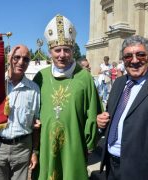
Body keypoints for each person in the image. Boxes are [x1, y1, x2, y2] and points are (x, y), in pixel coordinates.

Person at [32, 14, 103, 180]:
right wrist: (33, 148)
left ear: (73, 50)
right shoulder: (40, 77)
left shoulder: (84, 77)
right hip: (45, 147)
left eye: (67, 50)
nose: (62, 55)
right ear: (50, 52)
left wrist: (89, 143)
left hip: (74, 146)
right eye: (57, 50)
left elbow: (93, 113)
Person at [97, 35, 148, 180]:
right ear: (123, 60)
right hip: (111, 168)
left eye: (140, 55)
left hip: (143, 172)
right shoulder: (119, 83)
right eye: (128, 56)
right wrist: (102, 124)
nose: (135, 60)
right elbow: (119, 121)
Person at [0, 45, 41, 180]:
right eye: (17, 57)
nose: (21, 62)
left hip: (22, 148)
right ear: (9, 58)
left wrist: (34, 151)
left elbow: (35, 123)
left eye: (26, 59)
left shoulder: (34, 89)